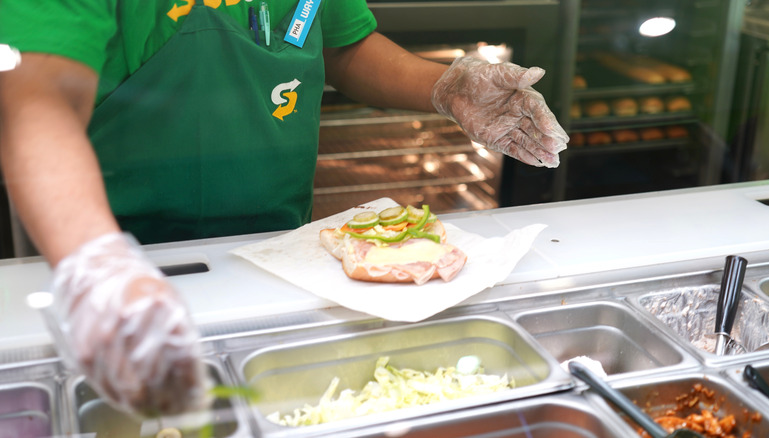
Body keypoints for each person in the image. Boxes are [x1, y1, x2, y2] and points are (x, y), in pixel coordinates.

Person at [0, 0, 568, 418]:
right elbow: (34, 96)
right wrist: (94, 264)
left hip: (277, 255)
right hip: (118, 266)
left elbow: (338, 43)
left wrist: (447, 86)